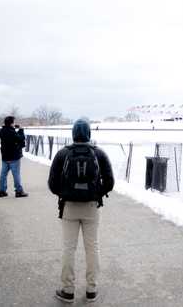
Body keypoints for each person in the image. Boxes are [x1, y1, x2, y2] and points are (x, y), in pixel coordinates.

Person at [48, 117, 114, 304]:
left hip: (69, 207)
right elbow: (110, 182)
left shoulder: (63, 154)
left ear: (73, 134)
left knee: (69, 248)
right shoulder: (99, 153)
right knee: (92, 247)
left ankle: (68, 290)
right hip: (91, 208)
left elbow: (52, 184)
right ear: (89, 134)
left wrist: (66, 194)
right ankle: (91, 289)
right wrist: (95, 194)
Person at [0, 116, 28, 198]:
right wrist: (21, 130)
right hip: (14, 158)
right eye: (14, 122)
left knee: (3, 175)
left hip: (5, 157)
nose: (15, 123)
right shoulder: (11, 132)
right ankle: (19, 191)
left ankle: (2, 191)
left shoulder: (2, 131)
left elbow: (11, 138)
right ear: (11, 123)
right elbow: (20, 138)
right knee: (16, 175)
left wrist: (14, 130)